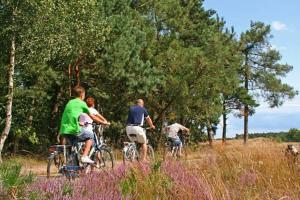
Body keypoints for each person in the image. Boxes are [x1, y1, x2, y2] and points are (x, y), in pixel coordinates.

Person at [59, 86, 103, 164]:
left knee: (75, 147)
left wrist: (79, 122)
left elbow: (71, 115)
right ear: (82, 94)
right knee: (90, 136)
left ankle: (73, 165)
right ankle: (84, 156)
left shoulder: (70, 102)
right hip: (74, 129)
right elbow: (92, 116)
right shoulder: (82, 103)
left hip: (64, 130)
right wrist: (103, 122)